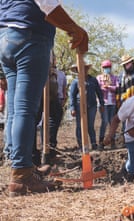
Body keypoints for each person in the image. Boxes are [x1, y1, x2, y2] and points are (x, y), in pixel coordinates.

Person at [0, 1, 88, 196]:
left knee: (15, 108)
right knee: (24, 109)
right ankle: (22, 175)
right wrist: (75, 29)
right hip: (30, 37)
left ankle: (22, 166)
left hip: (6, 39)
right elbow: (47, 5)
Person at [69, 63, 104, 150]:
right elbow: (72, 96)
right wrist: (72, 108)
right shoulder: (75, 81)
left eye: (84, 68)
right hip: (79, 106)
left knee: (90, 125)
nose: (81, 70)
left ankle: (93, 143)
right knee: (80, 125)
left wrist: (102, 103)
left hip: (92, 105)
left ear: (86, 69)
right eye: (79, 69)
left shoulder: (93, 80)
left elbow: (99, 92)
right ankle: (81, 146)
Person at [96, 59, 119, 149]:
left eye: (108, 67)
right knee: (104, 121)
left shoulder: (114, 77)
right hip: (103, 103)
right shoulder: (99, 78)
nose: (107, 69)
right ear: (102, 68)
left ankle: (112, 141)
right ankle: (101, 142)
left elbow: (117, 87)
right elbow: (97, 89)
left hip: (112, 102)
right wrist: (103, 87)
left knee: (112, 122)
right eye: (105, 67)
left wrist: (109, 87)